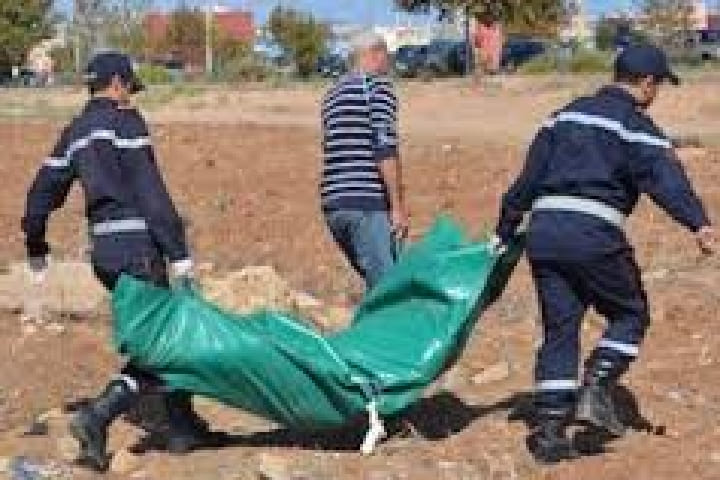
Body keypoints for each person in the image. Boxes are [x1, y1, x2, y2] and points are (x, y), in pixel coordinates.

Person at [494, 45, 715, 463]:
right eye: (660, 85)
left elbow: (528, 179)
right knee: (630, 313)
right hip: (592, 233)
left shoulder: (565, 114)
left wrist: (505, 227)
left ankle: (550, 435)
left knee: (560, 330)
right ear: (647, 83)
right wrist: (698, 223)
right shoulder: (636, 125)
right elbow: (666, 180)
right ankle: (596, 387)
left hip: (543, 234)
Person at [21, 52, 210, 472]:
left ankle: (182, 425)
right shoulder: (127, 124)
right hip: (139, 248)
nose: (129, 96)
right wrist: (178, 254)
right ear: (119, 83)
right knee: (165, 337)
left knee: (160, 333)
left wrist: (36, 244)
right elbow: (151, 193)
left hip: (104, 255)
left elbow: (40, 195)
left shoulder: (74, 133)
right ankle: (100, 416)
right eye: (128, 88)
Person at [320, 33, 408, 290]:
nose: (388, 64)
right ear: (375, 53)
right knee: (387, 292)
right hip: (365, 205)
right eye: (386, 56)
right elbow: (384, 147)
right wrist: (397, 207)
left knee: (375, 284)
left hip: (334, 204)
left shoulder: (332, 96)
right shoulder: (377, 89)